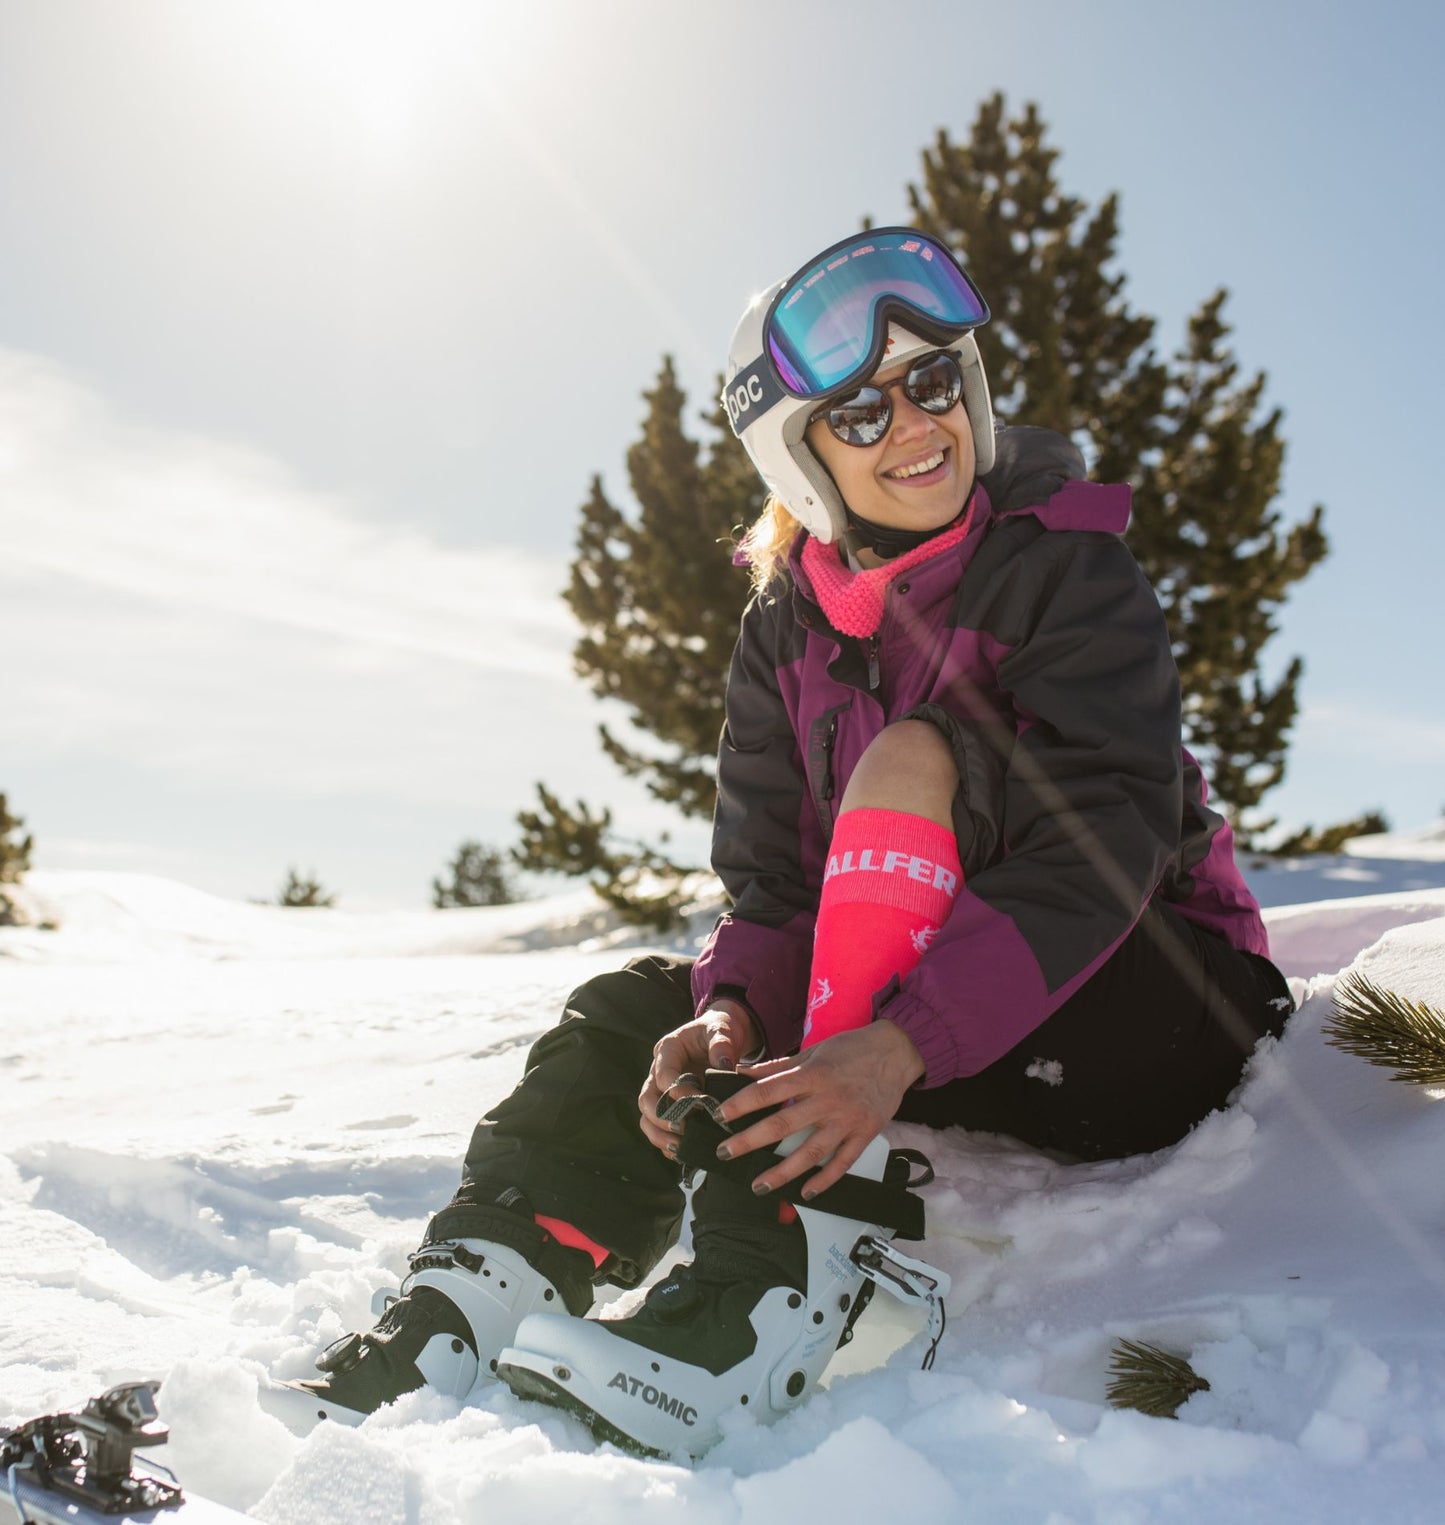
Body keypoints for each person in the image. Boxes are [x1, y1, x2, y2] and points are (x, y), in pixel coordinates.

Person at [287, 228, 1293, 1457]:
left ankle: (772, 1296)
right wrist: (735, 1017)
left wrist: (892, 1045)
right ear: (802, 459)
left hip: (1149, 1011)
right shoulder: (784, 631)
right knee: (634, 1008)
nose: (914, 425)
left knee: (913, 759)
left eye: (932, 382)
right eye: (858, 413)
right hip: (935, 1019)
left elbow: (1100, 843)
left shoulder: (1065, 569)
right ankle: (474, 1296)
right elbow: (771, 886)